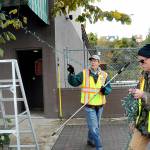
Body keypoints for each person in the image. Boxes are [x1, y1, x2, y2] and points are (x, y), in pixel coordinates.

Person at [67, 55, 112, 150]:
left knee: (95, 125)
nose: (93, 62)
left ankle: (90, 140)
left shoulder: (104, 75)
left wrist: (105, 90)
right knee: (94, 127)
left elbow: (109, 89)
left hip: (100, 106)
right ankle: (99, 147)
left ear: (99, 62)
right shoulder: (84, 73)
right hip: (89, 106)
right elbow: (74, 82)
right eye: (92, 60)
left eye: (95, 61)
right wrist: (71, 74)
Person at [128, 44, 150, 150]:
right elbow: (139, 101)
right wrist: (134, 120)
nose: (140, 64)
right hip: (143, 125)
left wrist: (144, 94)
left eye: (143, 61)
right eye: (139, 62)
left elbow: (143, 95)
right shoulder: (144, 75)